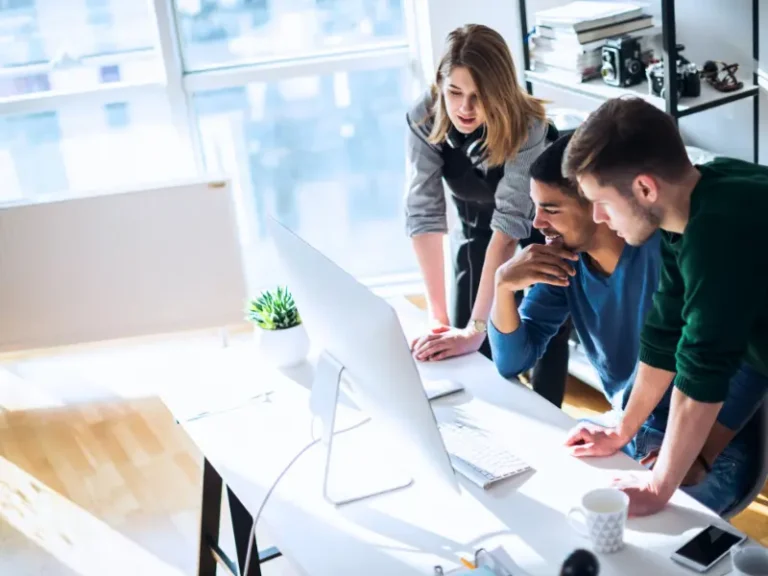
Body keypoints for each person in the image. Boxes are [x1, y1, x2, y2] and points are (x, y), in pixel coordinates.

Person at [488, 133, 762, 516]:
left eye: (551, 208)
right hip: (633, 430)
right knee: (542, 498)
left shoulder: (676, 246)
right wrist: (502, 286)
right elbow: (512, 361)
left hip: (706, 445)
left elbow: (741, 363)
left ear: (595, 203)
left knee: (633, 538)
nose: (537, 223)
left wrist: (691, 462)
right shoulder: (564, 263)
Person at [560, 96, 768, 517]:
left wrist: (658, 488)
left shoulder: (718, 233)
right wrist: (621, 431)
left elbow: (702, 369)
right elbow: (664, 333)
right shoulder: (693, 206)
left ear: (644, 188)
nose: (597, 217)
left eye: (602, 201)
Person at [403, 23, 571, 407]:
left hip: (534, 232)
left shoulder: (530, 127)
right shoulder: (423, 118)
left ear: (500, 92)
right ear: (440, 87)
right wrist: (439, 319)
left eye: (479, 97)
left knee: (537, 334)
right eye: (455, 93)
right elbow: (424, 212)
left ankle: (546, 420)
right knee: (464, 344)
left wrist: (478, 328)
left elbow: (510, 226)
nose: (464, 108)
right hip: (475, 227)